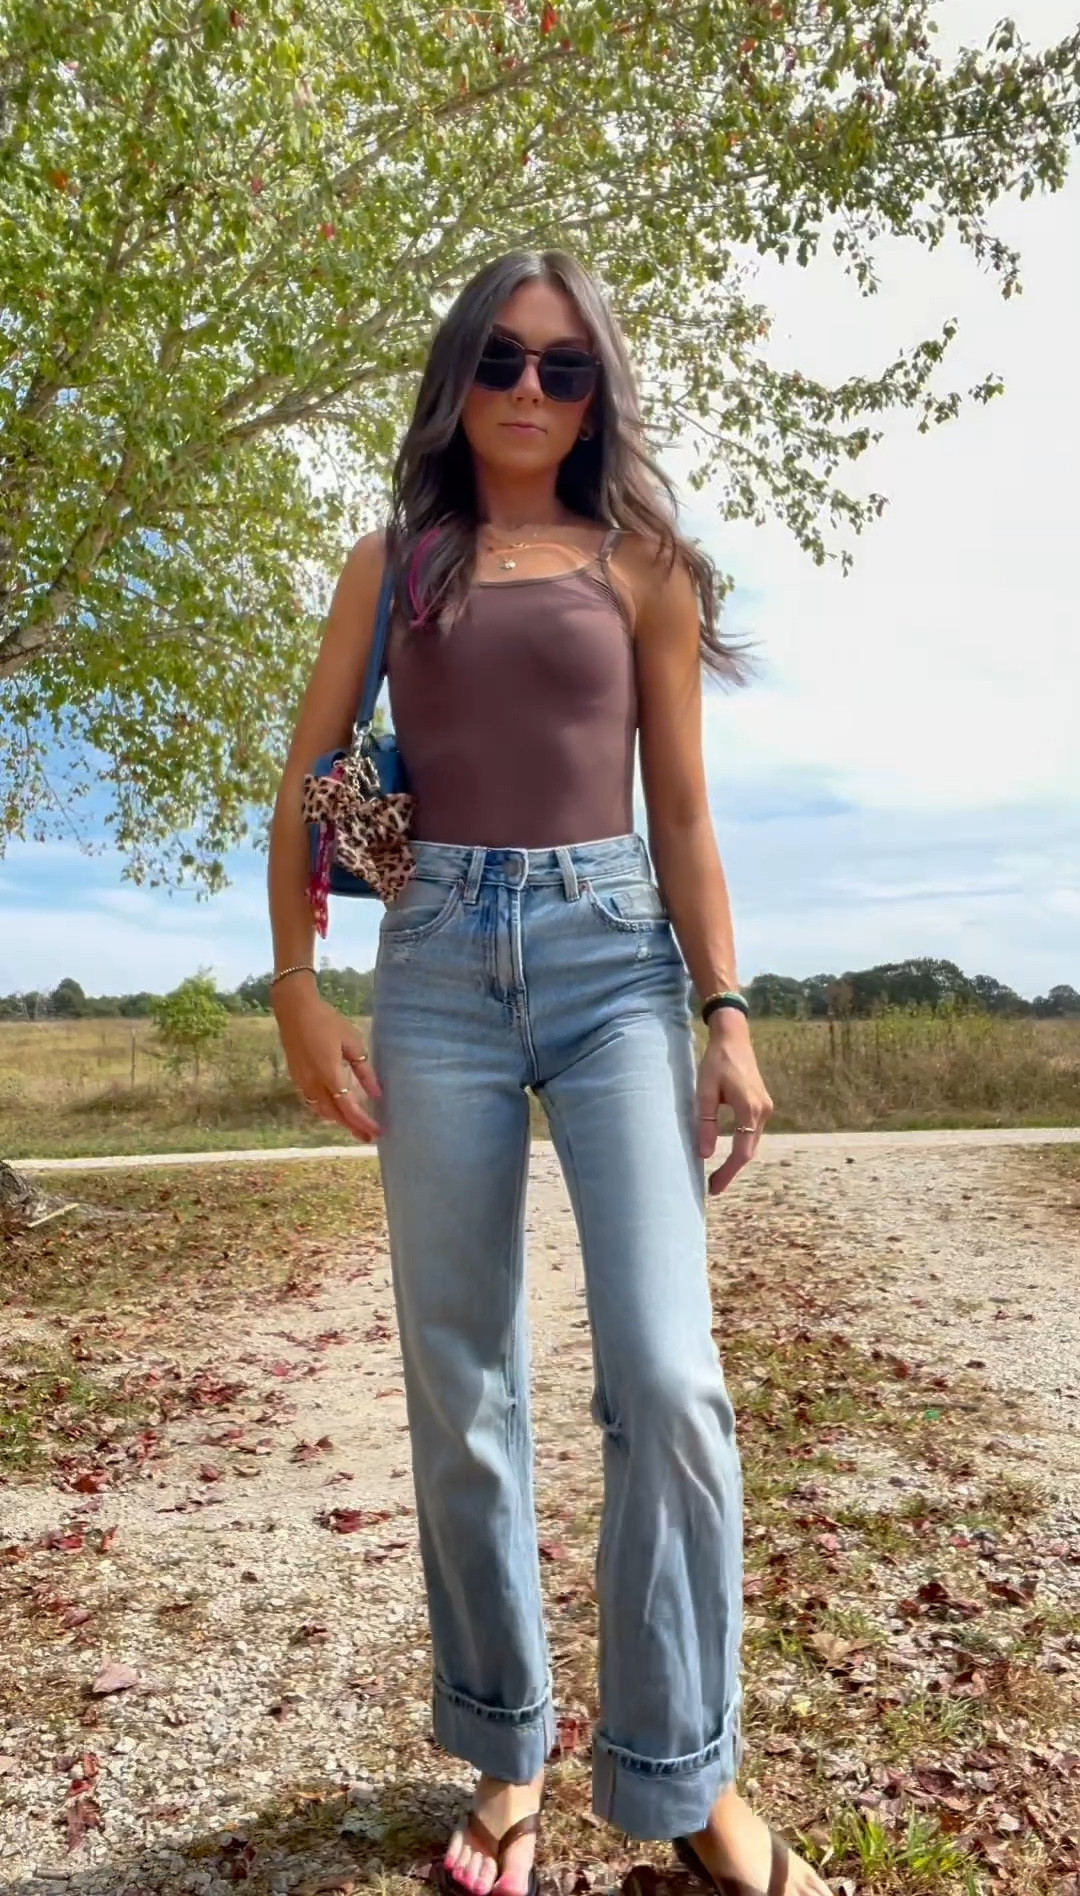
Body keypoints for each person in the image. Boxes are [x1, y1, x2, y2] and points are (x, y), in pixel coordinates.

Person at [268, 249, 832, 1896]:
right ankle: (507, 1750)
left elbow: (685, 812)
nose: (531, 389)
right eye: (505, 360)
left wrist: (728, 1012)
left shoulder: (648, 568)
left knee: (668, 1376)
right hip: (436, 967)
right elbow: (311, 777)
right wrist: (297, 988)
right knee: (463, 1378)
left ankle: (687, 1776)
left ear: (599, 398)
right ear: (460, 377)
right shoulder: (392, 562)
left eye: (565, 368)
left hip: (611, 963)